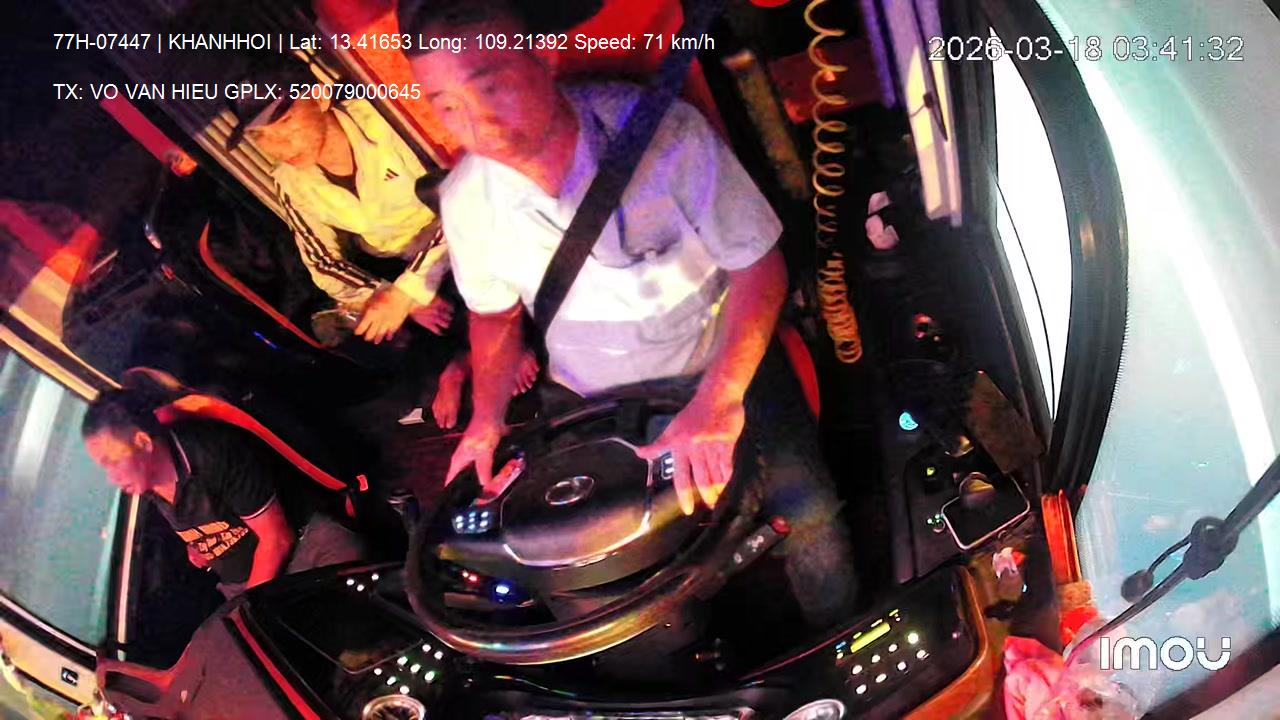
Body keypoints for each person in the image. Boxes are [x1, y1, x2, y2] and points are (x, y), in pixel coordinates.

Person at [398, 0, 856, 627]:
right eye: (447, 106)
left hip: (717, 366)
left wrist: (718, 401)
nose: (478, 125)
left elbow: (759, 266)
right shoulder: (466, 198)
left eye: (491, 87)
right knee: (599, 576)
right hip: (591, 401)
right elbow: (495, 316)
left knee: (810, 518)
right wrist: (486, 420)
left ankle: (835, 629)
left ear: (543, 57)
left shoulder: (665, 137)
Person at [230, 72, 453, 346]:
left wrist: (409, 291)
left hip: (456, 238)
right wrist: (390, 297)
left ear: (320, 98)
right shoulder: (291, 182)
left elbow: (466, 202)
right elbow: (321, 262)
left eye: (285, 122)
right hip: (394, 263)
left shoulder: (385, 122)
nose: (278, 146)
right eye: (260, 136)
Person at [82, 387, 366, 597]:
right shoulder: (146, 482)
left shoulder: (213, 454)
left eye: (111, 462)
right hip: (240, 583)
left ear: (144, 442)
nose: (111, 477)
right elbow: (208, 518)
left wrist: (249, 610)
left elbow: (277, 538)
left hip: (307, 549)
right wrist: (204, 546)